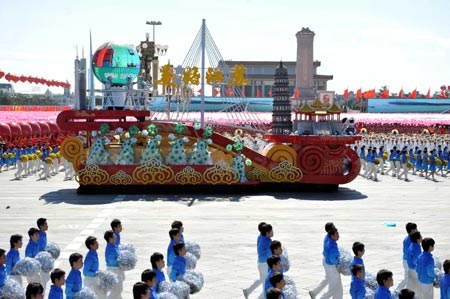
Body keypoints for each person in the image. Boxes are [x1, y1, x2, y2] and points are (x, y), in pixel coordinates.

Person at [309, 226, 342, 299]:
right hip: (331, 266)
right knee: (333, 287)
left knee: (329, 280)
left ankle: (314, 292)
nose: (338, 236)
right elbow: (333, 259)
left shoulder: (328, 238)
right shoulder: (332, 246)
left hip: (327, 262)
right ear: (331, 235)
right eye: (336, 235)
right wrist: (339, 262)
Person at [243, 222, 273, 299]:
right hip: (265, 265)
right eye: (271, 231)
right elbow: (270, 256)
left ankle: (248, 291)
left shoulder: (260, 237)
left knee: (261, 279)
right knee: (266, 289)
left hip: (260, 263)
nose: (272, 232)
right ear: (267, 233)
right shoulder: (268, 242)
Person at [397, 223, 417, 291]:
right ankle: (399, 290)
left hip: (407, 261)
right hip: (407, 261)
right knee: (407, 278)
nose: (417, 230)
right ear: (412, 230)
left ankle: (400, 290)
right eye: (415, 229)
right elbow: (407, 253)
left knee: (407, 278)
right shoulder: (409, 240)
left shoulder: (410, 238)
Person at [104, 230, 124, 299]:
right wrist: (122, 262)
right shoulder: (110, 249)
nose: (115, 237)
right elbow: (112, 262)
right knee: (116, 290)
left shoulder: (113, 246)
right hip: (113, 271)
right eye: (114, 236)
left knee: (119, 289)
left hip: (117, 270)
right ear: (110, 239)